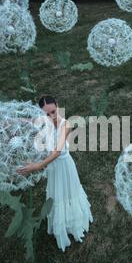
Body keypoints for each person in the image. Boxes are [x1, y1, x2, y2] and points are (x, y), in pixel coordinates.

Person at [17, 95, 93, 252]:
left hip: (64, 166)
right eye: (46, 114)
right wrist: (10, 123)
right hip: (54, 168)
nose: (51, 116)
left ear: (58, 106)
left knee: (69, 194)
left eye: (53, 111)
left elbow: (57, 151)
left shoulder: (66, 125)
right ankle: (62, 223)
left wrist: (37, 166)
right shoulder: (45, 122)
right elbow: (29, 123)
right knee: (57, 196)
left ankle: (74, 224)